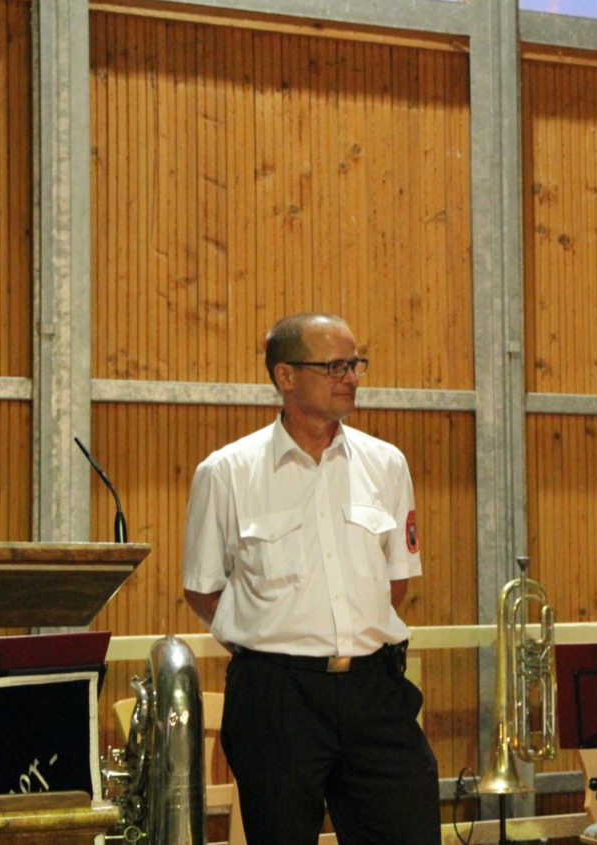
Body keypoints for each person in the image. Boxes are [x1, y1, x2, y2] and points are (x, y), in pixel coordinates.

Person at [182, 312, 440, 845]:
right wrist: (275, 638)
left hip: (375, 691)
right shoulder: (226, 472)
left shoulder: (386, 464)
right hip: (276, 699)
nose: (351, 377)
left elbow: (396, 581)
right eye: (334, 366)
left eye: (355, 364)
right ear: (285, 376)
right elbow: (202, 588)